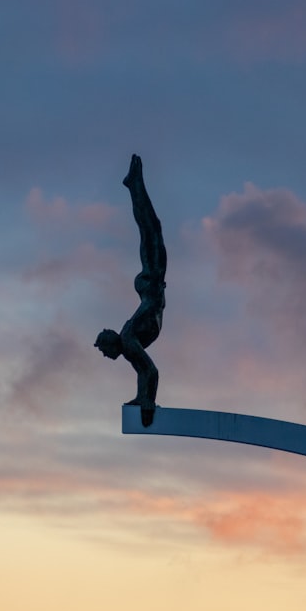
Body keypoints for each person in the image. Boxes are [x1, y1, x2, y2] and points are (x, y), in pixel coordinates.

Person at [95, 154, 167, 426]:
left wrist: (148, 403)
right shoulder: (127, 345)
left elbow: (151, 370)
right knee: (150, 230)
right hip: (151, 288)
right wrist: (141, 398)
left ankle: (135, 183)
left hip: (152, 284)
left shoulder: (127, 340)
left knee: (150, 229)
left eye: (103, 350)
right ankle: (134, 184)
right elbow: (143, 371)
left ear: (111, 341)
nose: (105, 355)